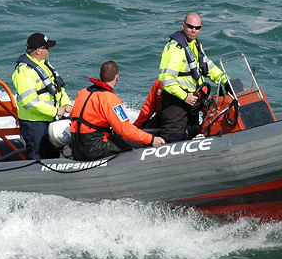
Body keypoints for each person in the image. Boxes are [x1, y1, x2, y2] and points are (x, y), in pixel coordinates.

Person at [70, 60, 165, 161]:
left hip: (76, 149)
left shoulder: (82, 93)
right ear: (117, 77)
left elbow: (73, 117)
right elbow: (125, 130)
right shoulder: (110, 99)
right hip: (95, 149)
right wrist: (151, 139)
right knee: (136, 142)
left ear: (100, 75)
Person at [158, 13, 224, 142]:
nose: (193, 30)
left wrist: (224, 80)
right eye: (190, 26)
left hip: (193, 101)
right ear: (183, 25)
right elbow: (165, 78)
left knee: (193, 131)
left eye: (197, 27)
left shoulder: (195, 45)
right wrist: (184, 96)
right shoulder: (175, 49)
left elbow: (207, 65)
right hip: (176, 102)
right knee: (173, 139)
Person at [12, 33, 72, 160]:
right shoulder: (24, 72)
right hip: (34, 124)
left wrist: (67, 104)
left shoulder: (45, 65)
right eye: (47, 47)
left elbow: (59, 90)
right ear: (38, 51)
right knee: (38, 157)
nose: (49, 50)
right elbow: (30, 102)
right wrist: (55, 111)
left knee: (53, 156)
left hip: (49, 119)